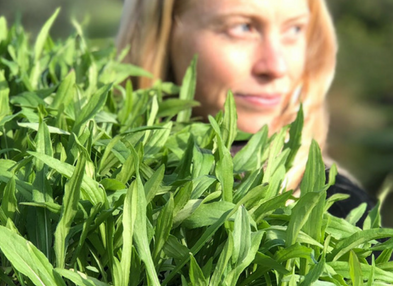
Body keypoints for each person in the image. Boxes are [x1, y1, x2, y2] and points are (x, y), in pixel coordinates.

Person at [115, 0, 375, 221]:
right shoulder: (97, 184)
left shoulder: (343, 209)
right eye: (242, 28)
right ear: (164, 31)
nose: (276, 66)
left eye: (295, 29)